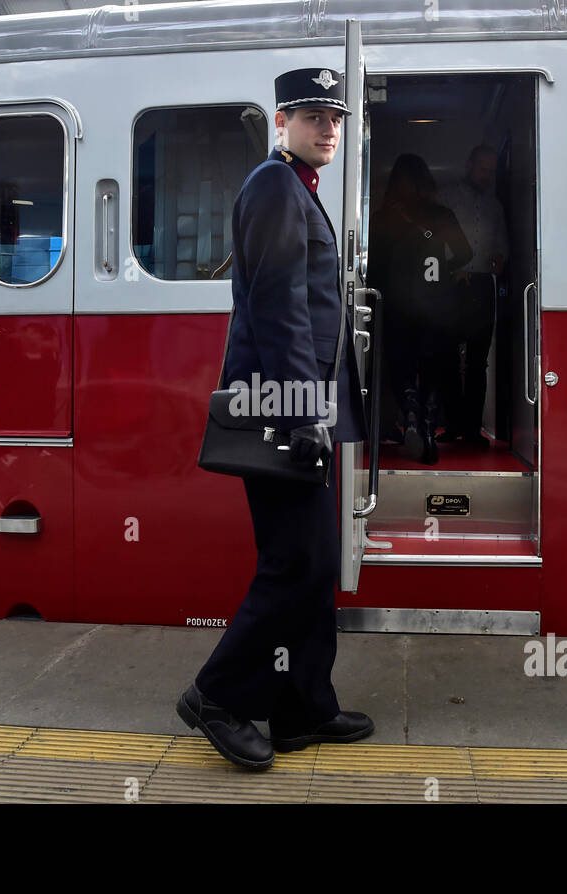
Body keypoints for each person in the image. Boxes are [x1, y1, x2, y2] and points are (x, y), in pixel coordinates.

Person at [177, 67, 374, 771]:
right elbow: (278, 307)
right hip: (283, 412)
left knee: (316, 565)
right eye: (314, 114)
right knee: (296, 563)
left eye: (335, 118)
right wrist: (298, 414)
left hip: (302, 409)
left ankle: (301, 707)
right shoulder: (273, 186)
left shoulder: (296, 189)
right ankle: (217, 696)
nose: (328, 128)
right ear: (282, 119)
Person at [368, 154, 472, 464]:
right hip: (437, 307)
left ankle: (409, 413)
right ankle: (428, 429)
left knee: (401, 368)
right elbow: (465, 253)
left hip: (399, 307)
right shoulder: (442, 214)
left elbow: (372, 270)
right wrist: (444, 268)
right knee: (433, 371)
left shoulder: (383, 219)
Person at [438, 145, 509, 448]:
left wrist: (501, 258)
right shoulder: (447, 197)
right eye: (483, 169)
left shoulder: (495, 206)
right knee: (449, 359)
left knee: (479, 362)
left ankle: (471, 429)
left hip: (482, 284)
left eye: (491, 171)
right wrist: (452, 267)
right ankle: (452, 425)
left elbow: (503, 242)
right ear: (469, 165)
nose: (487, 176)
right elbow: (435, 236)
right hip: (453, 283)